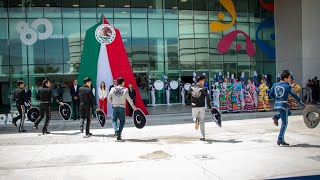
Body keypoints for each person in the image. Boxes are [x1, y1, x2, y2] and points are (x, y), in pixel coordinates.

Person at [270, 71, 305, 146]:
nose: (290, 79)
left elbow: (270, 93)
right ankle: (280, 139)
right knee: (284, 123)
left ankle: (276, 117)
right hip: (283, 105)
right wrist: (303, 105)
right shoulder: (287, 86)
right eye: (289, 77)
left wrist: (276, 99)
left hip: (276, 105)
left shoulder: (275, 84)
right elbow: (295, 96)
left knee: (288, 113)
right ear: (285, 78)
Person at [186, 76, 213, 141]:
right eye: (203, 80)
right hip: (202, 106)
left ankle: (196, 120)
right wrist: (210, 107)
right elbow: (208, 98)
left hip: (194, 106)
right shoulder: (204, 88)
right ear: (200, 81)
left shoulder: (191, 88)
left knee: (194, 118)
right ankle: (203, 136)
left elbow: (187, 97)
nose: (204, 82)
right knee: (202, 121)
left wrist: (192, 101)